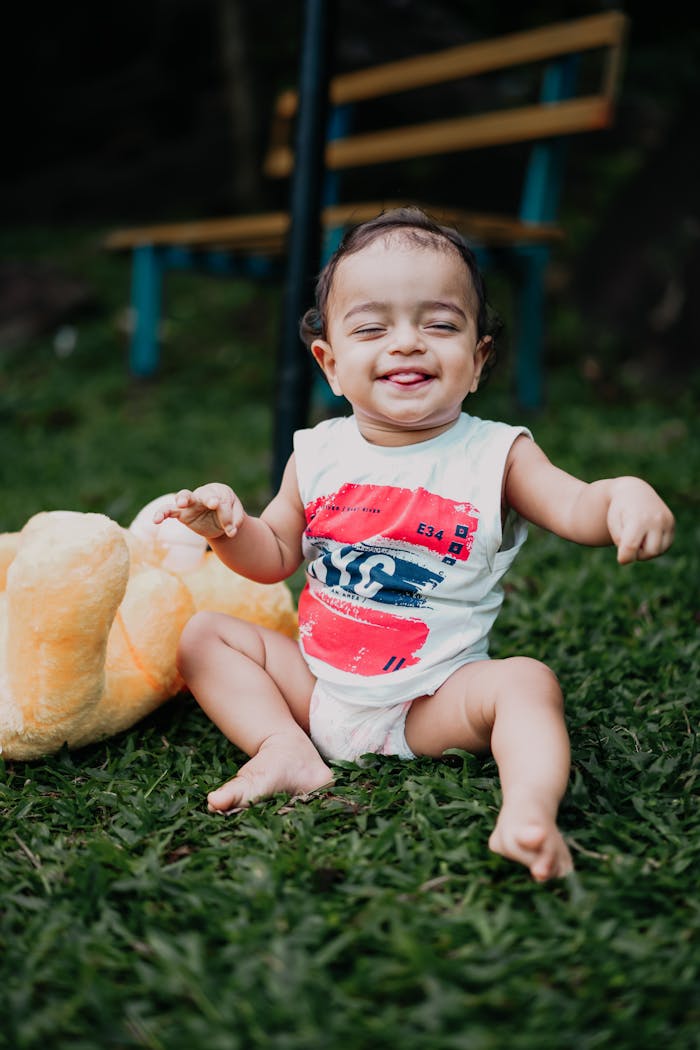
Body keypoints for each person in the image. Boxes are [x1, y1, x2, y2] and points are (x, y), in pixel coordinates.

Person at [154, 207, 674, 882]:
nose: (407, 343)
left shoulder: (498, 455)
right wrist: (227, 528)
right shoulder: (317, 453)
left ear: (478, 359)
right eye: (373, 327)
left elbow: (578, 506)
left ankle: (527, 812)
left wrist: (624, 490)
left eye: (439, 323)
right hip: (315, 689)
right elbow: (275, 555)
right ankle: (284, 747)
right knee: (204, 637)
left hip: (433, 702)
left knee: (525, 682)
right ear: (331, 363)